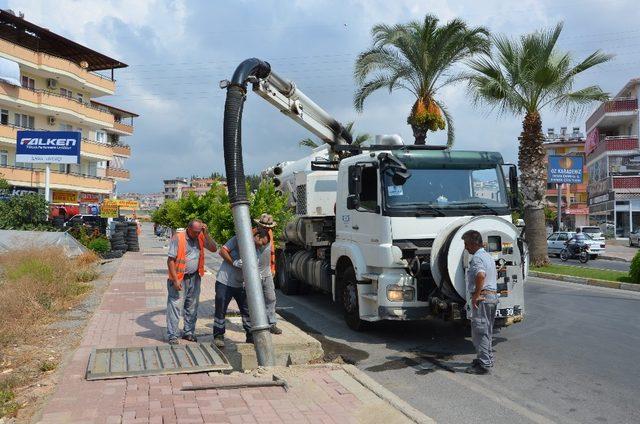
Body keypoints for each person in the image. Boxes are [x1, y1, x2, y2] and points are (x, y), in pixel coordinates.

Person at [214, 227, 271, 347]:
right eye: (262, 243)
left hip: (241, 284)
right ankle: (218, 335)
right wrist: (234, 262)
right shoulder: (238, 240)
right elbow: (222, 251)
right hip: (225, 281)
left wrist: (257, 276)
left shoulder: (257, 250)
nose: (261, 246)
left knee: (247, 310)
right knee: (221, 307)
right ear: (257, 237)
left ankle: (250, 335)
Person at [166, 219, 217, 345]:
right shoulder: (178, 238)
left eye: (198, 231)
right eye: (195, 232)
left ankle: (189, 332)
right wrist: (175, 280)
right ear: (188, 228)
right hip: (179, 278)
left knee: (192, 306)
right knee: (175, 306)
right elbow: (170, 260)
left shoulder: (200, 236)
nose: (196, 234)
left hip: (195, 277)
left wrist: (206, 234)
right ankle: (172, 335)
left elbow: (214, 248)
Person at [462, 230, 498, 375]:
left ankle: (483, 365)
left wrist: (476, 295)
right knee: (486, 331)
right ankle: (486, 358)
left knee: (480, 332)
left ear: (472, 243)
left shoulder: (477, 258)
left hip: (483, 298)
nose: (465, 247)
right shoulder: (487, 256)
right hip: (491, 297)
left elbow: (481, 275)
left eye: (466, 244)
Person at [254, 213, 282, 335]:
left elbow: (271, 252)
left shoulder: (269, 234)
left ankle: (272, 323)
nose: (267, 229)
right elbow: (257, 244)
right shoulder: (252, 234)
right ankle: (255, 324)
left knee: (271, 298)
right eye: (264, 226)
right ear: (259, 225)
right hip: (254, 274)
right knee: (254, 299)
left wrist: (273, 268)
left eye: (269, 227)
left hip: (267, 272)